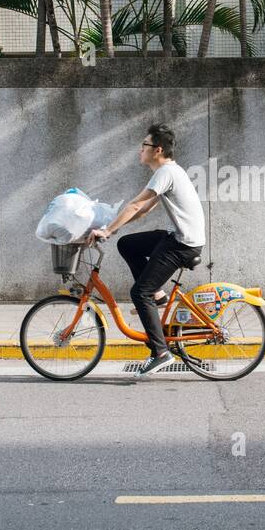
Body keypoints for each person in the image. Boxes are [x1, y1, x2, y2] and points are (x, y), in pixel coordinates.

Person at [86, 124, 205, 377]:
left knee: (140, 293)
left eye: (145, 146)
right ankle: (159, 296)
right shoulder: (168, 172)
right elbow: (143, 210)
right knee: (127, 244)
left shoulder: (166, 172)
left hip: (184, 244)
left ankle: (161, 353)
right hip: (179, 238)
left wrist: (107, 230)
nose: (140, 150)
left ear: (158, 150)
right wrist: (114, 230)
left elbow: (134, 204)